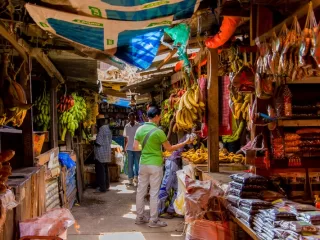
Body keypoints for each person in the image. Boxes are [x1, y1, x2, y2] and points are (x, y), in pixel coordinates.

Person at [133, 106, 193, 228]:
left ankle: (139, 217)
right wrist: (185, 142)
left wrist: (146, 150)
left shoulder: (139, 129)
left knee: (140, 191)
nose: (160, 118)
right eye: (159, 116)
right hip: (155, 164)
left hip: (143, 163)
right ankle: (153, 220)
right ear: (155, 117)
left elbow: (135, 147)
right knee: (154, 192)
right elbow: (169, 149)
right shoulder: (158, 132)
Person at [94, 115, 112, 193]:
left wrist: (93, 142)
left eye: (97, 121)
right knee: (105, 170)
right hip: (107, 153)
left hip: (101, 154)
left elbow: (98, 142)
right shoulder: (108, 129)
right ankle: (107, 185)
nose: (97, 123)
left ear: (100, 121)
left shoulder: (101, 129)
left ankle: (102, 188)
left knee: (101, 171)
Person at [123, 112, 141, 186]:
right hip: (129, 148)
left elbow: (141, 137)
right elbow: (125, 138)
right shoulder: (127, 126)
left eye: (133, 117)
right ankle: (130, 179)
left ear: (135, 117)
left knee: (137, 164)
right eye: (130, 117)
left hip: (137, 148)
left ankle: (136, 179)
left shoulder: (139, 125)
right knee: (130, 164)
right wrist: (125, 148)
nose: (131, 118)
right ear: (128, 118)